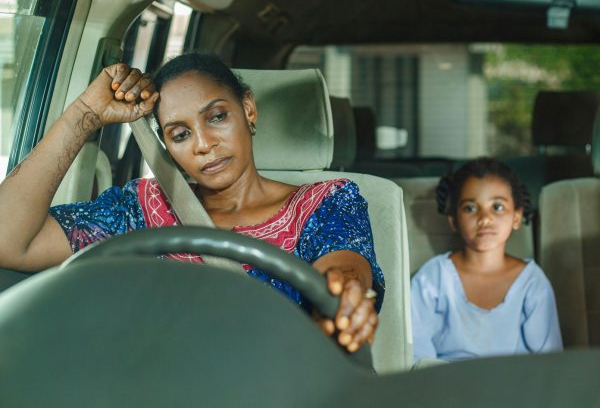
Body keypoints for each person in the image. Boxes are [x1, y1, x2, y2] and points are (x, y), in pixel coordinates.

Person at [0, 53, 384, 353]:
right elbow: (9, 240)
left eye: (216, 117)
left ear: (248, 110)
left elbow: (343, 270)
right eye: (180, 134)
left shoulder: (326, 201)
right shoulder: (140, 209)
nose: (203, 144)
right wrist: (83, 115)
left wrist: (345, 299)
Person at [411, 158, 562, 362]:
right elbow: (417, 354)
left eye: (497, 207)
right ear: (453, 220)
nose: (485, 218)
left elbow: (549, 361)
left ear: (516, 217)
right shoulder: (433, 278)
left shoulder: (532, 283)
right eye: (470, 208)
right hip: (446, 388)